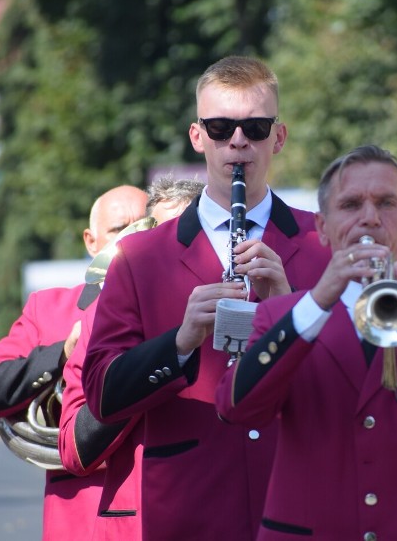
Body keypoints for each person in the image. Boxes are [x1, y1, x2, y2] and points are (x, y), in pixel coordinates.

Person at [81, 55, 331, 541]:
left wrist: (289, 306)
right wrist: (180, 341)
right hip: (189, 510)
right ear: (198, 137)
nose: (238, 141)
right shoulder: (138, 256)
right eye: (220, 127)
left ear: (278, 138)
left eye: (255, 127)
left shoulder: (322, 245)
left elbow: (357, 382)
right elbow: (101, 395)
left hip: (302, 503)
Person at [216, 145, 397, 540]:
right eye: (352, 204)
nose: (370, 218)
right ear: (322, 228)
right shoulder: (281, 318)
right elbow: (236, 408)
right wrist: (316, 303)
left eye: (386, 203)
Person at [0, 184, 148, 541]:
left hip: (158, 513)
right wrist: (62, 353)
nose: (132, 237)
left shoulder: (182, 305)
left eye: (146, 226)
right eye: (118, 229)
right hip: (80, 519)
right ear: (91, 241)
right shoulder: (49, 308)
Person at [58, 176, 204, 541]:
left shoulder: (239, 297)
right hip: (141, 522)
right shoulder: (103, 314)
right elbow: (75, 448)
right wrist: (162, 353)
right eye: (160, 231)